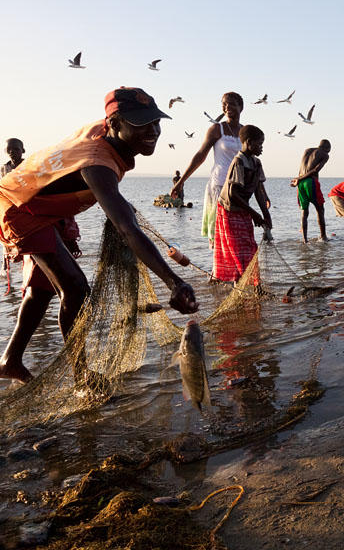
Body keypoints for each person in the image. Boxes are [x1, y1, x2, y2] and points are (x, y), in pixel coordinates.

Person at [0, 87, 198, 384]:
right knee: (76, 289)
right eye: (141, 124)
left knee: (43, 289)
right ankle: (82, 379)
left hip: (40, 207)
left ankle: (10, 362)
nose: (153, 131)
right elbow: (127, 229)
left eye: (156, 122)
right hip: (20, 209)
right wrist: (174, 281)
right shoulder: (97, 162)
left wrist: (114, 199)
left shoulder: (102, 131)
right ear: (116, 124)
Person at [170, 92, 244, 248]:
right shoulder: (217, 129)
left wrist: (261, 192)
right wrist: (181, 181)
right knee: (220, 237)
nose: (227, 107)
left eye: (231, 104)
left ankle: (234, 272)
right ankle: (217, 271)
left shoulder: (245, 132)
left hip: (239, 190)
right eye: (224, 104)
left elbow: (252, 162)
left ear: (240, 107)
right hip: (219, 187)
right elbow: (200, 156)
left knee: (236, 237)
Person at [213, 125, 272, 282]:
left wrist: (266, 215)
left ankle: (254, 284)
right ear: (248, 142)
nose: (261, 148)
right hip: (229, 210)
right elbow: (233, 194)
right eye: (259, 144)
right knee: (237, 250)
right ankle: (241, 283)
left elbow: (259, 190)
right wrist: (255, 214)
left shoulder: (256, 163)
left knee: (250, 247)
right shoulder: (239, 162)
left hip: (242, 209)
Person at [290, 140, 330, 243]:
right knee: (320, 209)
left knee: (304, 212)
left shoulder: (307, 150)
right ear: (326, 147)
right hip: (310, 182)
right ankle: (323, 237)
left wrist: (298, 179)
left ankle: (305, 240)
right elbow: (315, 170)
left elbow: (302, 168)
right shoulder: (324, 154)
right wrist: (300, 179)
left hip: (300, 183)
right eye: (329, 149)